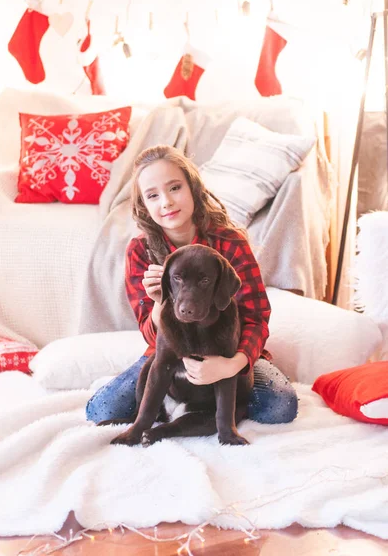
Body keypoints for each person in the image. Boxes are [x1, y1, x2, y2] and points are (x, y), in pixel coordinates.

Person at [86, 145, 298, 426]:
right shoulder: (140, 251)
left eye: (175, 188)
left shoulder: (229, 242)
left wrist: (231, 365)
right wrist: (160, 302)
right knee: (103, 412)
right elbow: (151, 337)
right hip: (170, 357)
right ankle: (188, 406)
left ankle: (212, 411)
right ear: (144, 206)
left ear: (193, 188)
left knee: (279, 407)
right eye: (152, 195)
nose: (166, 202)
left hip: (229, 352)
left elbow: (256, 317)